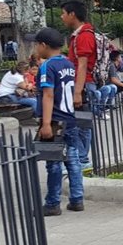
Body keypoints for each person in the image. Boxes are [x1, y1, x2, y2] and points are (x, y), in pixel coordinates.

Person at [30, 28, 84, 215]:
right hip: (70, 118)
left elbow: (48, 94)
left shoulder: (47, 66)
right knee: (73, 159)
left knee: (53, 161)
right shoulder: (68, 63)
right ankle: (77, 199)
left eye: (37, 44)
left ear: (43, 45)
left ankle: (52, 202)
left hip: (55, 120)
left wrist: (45, 124)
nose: (36, 48)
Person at [60, 0, 96, 170]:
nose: (62, 17)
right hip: (81, 84)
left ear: (72, 14)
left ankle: (82, 160)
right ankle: (82, 159)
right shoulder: (79, 35)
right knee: (79, 124)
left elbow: (82, 65)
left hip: (82, 85)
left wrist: (77, 92)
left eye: (63, 13)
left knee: (79, 125)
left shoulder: (84, 36)